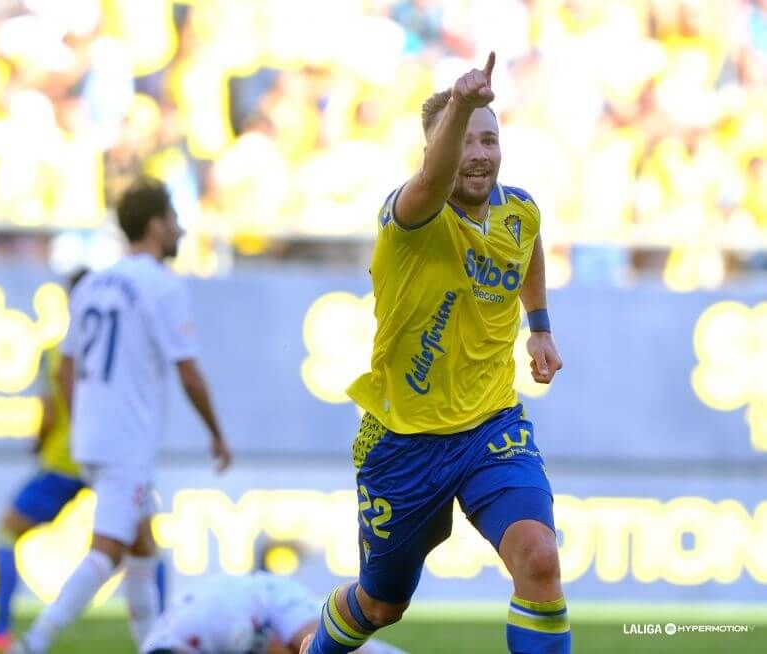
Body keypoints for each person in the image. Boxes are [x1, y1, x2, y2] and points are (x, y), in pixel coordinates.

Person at [300, 52, 569, 654]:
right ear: (437, 149)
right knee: (382, 603)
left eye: (490, 140)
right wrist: (462, 104)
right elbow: (431, 177)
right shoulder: (410, 216)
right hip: (405, 440)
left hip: (490, 427)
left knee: (540, 562)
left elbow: (529, 245)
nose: (480, 154)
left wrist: (541, 325)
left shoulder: (518, 210)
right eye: (466, 140)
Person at [10, 178, 232, 654]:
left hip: (90, 437)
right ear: (155, 225)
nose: (178, 229)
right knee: (107, 550)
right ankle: (32, 643)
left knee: (141, 548)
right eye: (173, 219)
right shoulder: (161, 285)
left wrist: (84, 419)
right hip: (126, 441)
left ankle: (153, 645)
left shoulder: (91, 283)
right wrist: (216, 434)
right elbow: (189, 373)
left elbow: (66, 368)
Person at [0, 268, 175, 653]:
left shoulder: (58, 350)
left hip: (66, 460)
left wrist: (40, 441)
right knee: (143, 545)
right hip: (117, 457)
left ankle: (4, 630)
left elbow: (49, 412)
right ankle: (164, 632)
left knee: (9, 531)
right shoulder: (126, 346)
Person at [142, 572, 407, 654]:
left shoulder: (218, 626)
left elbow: (275, 648)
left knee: (322, 649)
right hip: (237, 612)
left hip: (272, 602)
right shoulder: (153, 646)